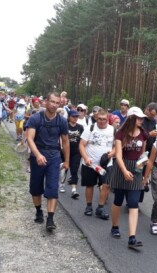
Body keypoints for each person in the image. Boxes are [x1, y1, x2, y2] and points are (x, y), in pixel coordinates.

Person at [26, 92, 70, 231]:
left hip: (54, 157)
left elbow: (65, 141)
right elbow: (29, 138)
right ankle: (39, 211)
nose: (54, 105)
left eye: (57, 103)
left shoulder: (62, 121)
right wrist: (37, 155)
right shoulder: (35, 118)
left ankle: (50, 219)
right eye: (52, 101)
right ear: (46, 102)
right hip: (37, 154)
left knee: (52, 189)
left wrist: (67, 161)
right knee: (36, 187)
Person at [109, 106, 148, 248]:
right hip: (121, 167)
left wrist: (144, 165)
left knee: (133, 203)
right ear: (131, 118)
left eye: (142, 118)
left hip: (136, 169)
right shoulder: (121, 133)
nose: (141, 120)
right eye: (139, 118)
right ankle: (114, 227)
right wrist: (124, 171)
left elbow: (142, 153)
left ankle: (132, 237)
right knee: (118, 200)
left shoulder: (143, 134)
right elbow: (118, 154)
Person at [79, 108, 114, 220]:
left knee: (106, 185)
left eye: (104, 119)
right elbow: (81, 145)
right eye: (99, 119)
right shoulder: (90, 128)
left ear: (108, 119)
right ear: (96, 118)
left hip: (106, 164)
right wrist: (86, 158)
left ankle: (100, 208)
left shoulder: (113, 130)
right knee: (90, 185)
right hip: (90, 163)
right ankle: (89, 206)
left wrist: (111, 154)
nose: (101, 121)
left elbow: (117, 146)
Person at [64, 110, 84, 197]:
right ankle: (61, 184)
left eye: (76, 116)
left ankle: (74, 190)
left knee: (74, 170)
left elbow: (83, 140)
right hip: (64, 151)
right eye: (73, 116)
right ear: (69, 117)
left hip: (76, 151)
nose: (75, 118)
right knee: (64, 169)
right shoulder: (65, 126)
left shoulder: (80, 127)